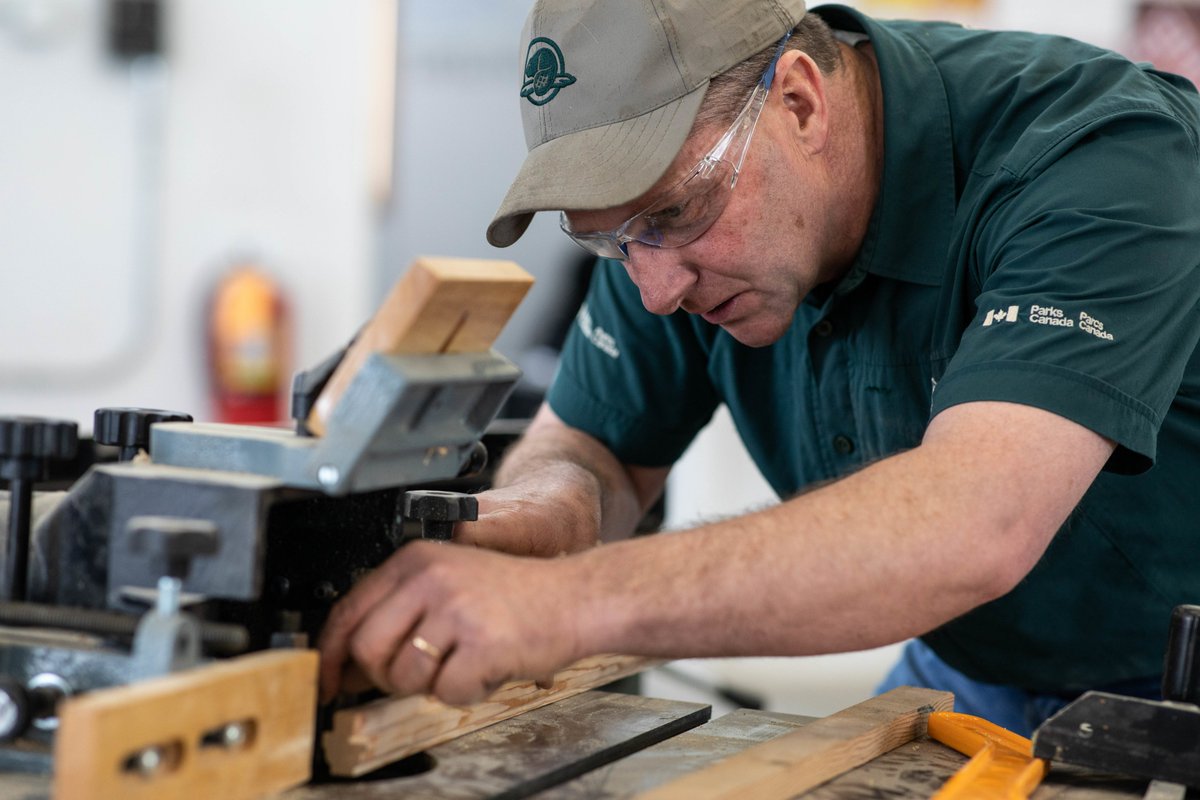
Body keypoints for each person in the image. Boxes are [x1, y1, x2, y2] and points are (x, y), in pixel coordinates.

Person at [318, 0, 1200, 735]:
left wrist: (566, 605)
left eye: (675, 213)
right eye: (611, 241)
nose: (655, 288)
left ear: (802, 102)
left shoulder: (1103, 158)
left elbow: (977, 522)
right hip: (976, 670)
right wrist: (526, 518)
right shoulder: (661, 226)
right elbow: (594, 449)